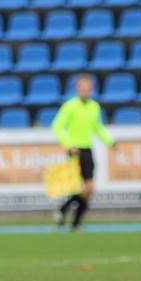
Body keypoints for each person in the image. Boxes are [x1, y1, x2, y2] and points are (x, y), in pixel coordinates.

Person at [51, 74, 115, 231]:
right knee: (83, 187)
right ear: (77, 90)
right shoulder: (70, 106)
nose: (85, 92)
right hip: (75, 150)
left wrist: (110, 142)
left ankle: (68, 215)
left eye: (87, 89)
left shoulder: (94, 107)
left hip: (87, 149)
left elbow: (97, 128)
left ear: (91, 90)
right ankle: (69, 217)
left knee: (89, 189)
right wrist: (68, 145)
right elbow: (57, 127)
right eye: (82, 89)